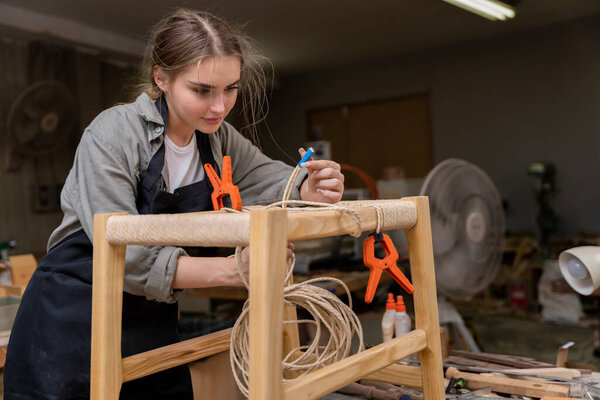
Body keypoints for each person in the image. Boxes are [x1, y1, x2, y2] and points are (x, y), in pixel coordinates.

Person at [4, 9, 345, 400]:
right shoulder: (110, 135)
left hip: (151, 316)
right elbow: (125, 254)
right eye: (202, 91)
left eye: (230, 89)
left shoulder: (218, 140)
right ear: (161, 78)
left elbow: (272, 182)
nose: (219, 106)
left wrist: (310, 188)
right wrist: (232, 270)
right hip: (74, 317)